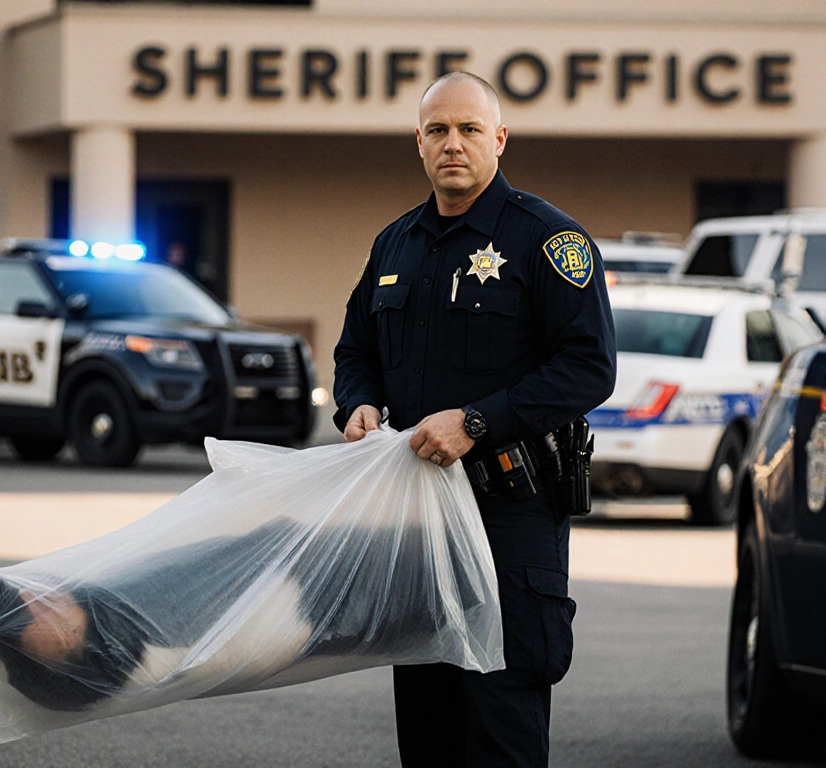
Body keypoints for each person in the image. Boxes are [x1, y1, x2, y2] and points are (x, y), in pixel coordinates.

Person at [332, 71, 617, 767]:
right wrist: (358, 403)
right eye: (437, 130)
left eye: (467, 129)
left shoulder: (549, 241)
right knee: (427, 728)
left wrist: (478, 423)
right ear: (418, 143)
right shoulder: (394, 245)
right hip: (418, 519)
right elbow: (355, 351)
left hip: (511, 519)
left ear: (500, 137)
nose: (451, 144)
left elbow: (588, 368)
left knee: (500, 726)